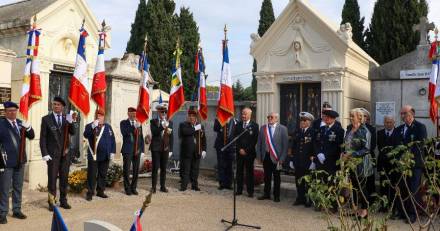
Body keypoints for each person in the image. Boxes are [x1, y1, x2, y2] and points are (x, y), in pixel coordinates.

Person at [40, 96, 77, 211]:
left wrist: (71, 122)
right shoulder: (46, 119)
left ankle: (63, 200)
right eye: (54, 104)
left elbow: (73, 132)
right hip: (52, 155)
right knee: (52, 179)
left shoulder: (67, 118)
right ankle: (52, 202)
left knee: (64, 178)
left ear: (63, 107)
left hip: (65, 154)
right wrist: (44, 153)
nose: (56, 106)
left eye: (58, 105)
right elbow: (43, 138)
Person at [0, 102, 35, 224]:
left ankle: (16, 210)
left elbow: (31, 136)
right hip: (6, 162)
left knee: (18, 187)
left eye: (14, 110)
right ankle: (2, 213)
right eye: (9, 111)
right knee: (4, 189)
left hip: (20, 161)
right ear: (5, 112)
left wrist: (29, 127)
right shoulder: (1, 124)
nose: (12, 113)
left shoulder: (21, 123)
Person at [395, 105, 427, 223]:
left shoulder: (420, 127)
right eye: (402, 113)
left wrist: (407, 158)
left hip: (414, 165)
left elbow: (420, 145)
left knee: (413, 189)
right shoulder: (399, 129)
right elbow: (396, 147)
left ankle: (413, 214)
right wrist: (399, 159)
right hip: (401, 165)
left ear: (412, 114)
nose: (403, 116)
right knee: (402, 188)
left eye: (405, 113)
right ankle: (402, 212)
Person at [341, 108, 371, 219]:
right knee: (353, 187)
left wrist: (352, 155)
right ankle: (356, 209)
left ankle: (364, 211)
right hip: (349, 163)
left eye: (353, 116)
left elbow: (366, 149)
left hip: (361, 164)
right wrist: (343, 154)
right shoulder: (349, 129)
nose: (351, 118)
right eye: (350, 115)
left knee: (362, 187)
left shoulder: (365, 131)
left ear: (360, 117)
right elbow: (346, 144)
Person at [83, 109, 116, 201]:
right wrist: (93, 126)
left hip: (105, 155)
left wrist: (112, 152)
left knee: (103, 174)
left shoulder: (108, 127)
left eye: (101, 116)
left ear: (103, 117)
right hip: (94, 154)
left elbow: (112, 140)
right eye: (97, 115)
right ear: (95, 116)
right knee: (92, 174)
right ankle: (90, 192)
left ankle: (100, 191)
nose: (99, 117)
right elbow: (85, 135)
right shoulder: (90, 126)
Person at [256, 112, 289, 202]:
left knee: (277, 177)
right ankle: (266, 194)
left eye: (272, 117)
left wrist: (282, 158)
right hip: (266, 156)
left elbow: (285, 146)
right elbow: (259, 143)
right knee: (267, 177)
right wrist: (259, 157)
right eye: (268, 117)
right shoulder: (263, 128)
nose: (269, 118)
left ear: (276, 119)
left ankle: (276, 196)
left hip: (277, 158)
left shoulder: (282, 129)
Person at [179, 108, 206, 191]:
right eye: (190, 116)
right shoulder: (183, 125)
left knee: (195, 170)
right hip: (187, 152)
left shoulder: (200, 126)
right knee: (186, 170)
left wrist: (204, 149)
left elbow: (203, 139)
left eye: (193, 116)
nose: (191, 117)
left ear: (196, 117)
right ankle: (184, 186)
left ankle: (194, 185)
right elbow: (185, 132)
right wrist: (195, 128)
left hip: (197, 151)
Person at [291, 112, 315, 207]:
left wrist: (313, 161)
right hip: (298, 161)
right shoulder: (297, 131)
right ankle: (300, 198)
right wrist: (292, 159)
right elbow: (293, 146)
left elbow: (314, 147)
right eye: (301, 120)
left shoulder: (313, 132)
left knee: (308, 182)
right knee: (298, 181)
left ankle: (308, 199)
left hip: (307, 161)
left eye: (304, 120)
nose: (302, 122)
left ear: (309, 122)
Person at [234, 107, 259, 198]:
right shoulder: (238, 125)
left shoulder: (255, 125)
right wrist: (240, 149)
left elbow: (254, 140)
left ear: (250, 115)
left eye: (245, 114)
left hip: (249, 153)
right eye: (242, 114)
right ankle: (239, 190)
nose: (243, 116)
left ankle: (250, 191)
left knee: (249, 172)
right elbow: (235, 138)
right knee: (239, 172)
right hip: (239, 152)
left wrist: (246, 150)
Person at [377, 115, 399, 214]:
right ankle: (384, 206)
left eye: (390, 122)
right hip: (382, 164)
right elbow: (379, 148)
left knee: (394, 187)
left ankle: (393, 207)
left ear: (394, 123)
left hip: (393, 165)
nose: (388, 124)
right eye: (386, 122)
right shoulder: (379, 133)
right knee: (383, 186)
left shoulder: (398, 132)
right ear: (384, 123)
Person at [120, 107, 145, 195]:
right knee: (126, 170)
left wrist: (142, 150)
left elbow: (141, 137)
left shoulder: (138, 123)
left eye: (135, 113)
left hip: (137, 150)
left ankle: (133, 187)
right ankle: (127, 188)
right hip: (127, 150)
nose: (134, 114)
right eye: (132, 113)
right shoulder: (124, 123)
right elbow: (124, 133)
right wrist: (133, 126)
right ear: (128, 114)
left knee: (136, 170)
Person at [313, 109, 345, 176]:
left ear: (334, 118)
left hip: (331, 162)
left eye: (329, 117)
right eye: (325, 116)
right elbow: (316, 142)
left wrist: (325, 155)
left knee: (331, 183)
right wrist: (318, 153)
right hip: (319, 161)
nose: (327, 118)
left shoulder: (339, 130)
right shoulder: (321, 129)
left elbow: (337, 146)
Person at [150, 103, 173, 193]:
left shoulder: (170, 122)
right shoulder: (153, 121)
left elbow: (172, 136)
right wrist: (162, 127)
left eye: (165, 111)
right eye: (162, 111)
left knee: (164, 168)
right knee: (155, 168)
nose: (163, 113)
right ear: (158, 111)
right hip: (156, 147)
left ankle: (162, 186)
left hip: (165, 148)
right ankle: (153, 187)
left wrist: (171, 149)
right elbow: (154, 132)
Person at [359, 108, 377, 203]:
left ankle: (371, 201)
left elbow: (372, 145)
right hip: (355, 160)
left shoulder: (371, 129)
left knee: (369, 181)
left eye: (365, 116)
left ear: (368, 118)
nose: (363, 117)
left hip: (368, 158)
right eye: (361, 115)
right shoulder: (351, 127)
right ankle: (358, 202)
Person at [214, 118, 237, 190]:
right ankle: (222, 183)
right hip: (220, 146)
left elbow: (236, 133)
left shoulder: (235, 121)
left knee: (229, 165)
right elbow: (215, 128)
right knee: (221, 165)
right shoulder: (219, 119)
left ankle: (228, 184)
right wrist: (222, 121)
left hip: (230, 147)